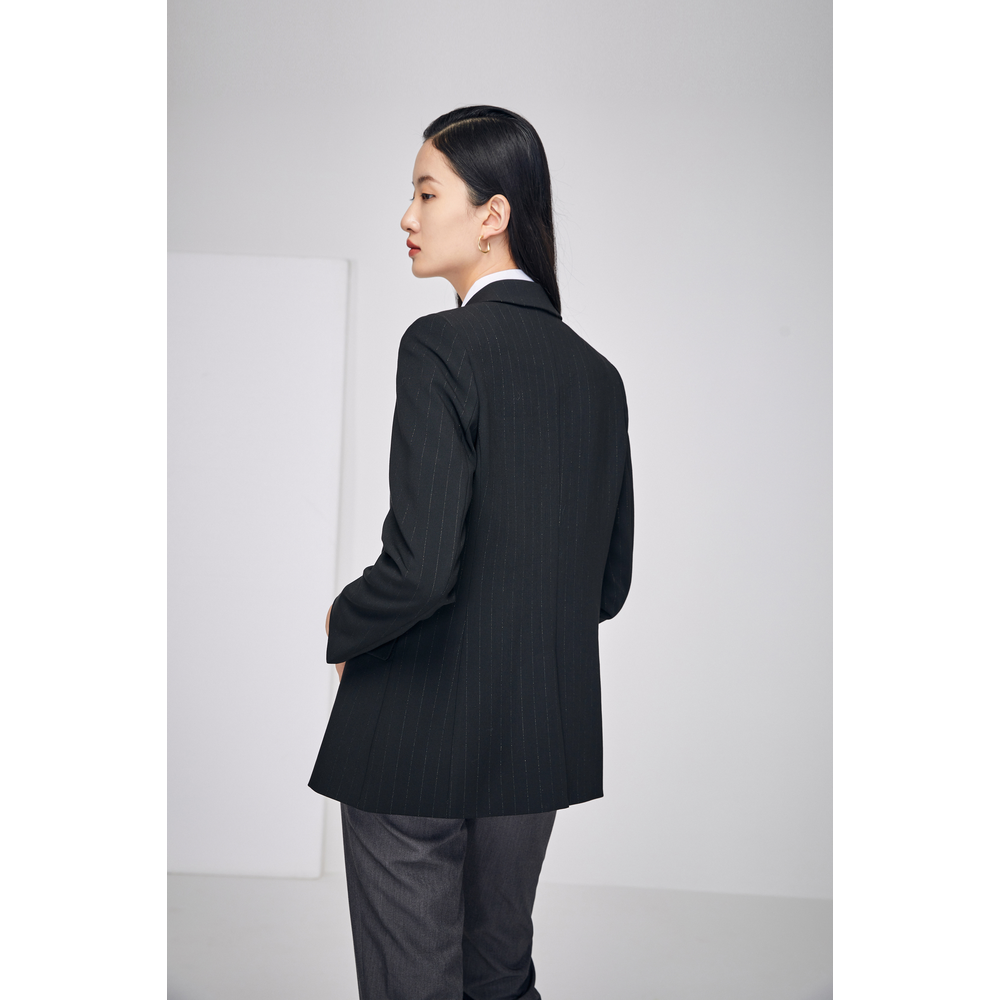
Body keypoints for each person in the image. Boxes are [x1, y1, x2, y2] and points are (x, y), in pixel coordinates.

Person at [309, 105, 634, 1000]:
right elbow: (606, 586)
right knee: (498, 977)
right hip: (536, 741)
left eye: (425, 193)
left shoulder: (440, 345)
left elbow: (420, 570)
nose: (406, 217)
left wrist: (346, 620)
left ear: (493, 214)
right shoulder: (598, 376)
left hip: (415, 734)